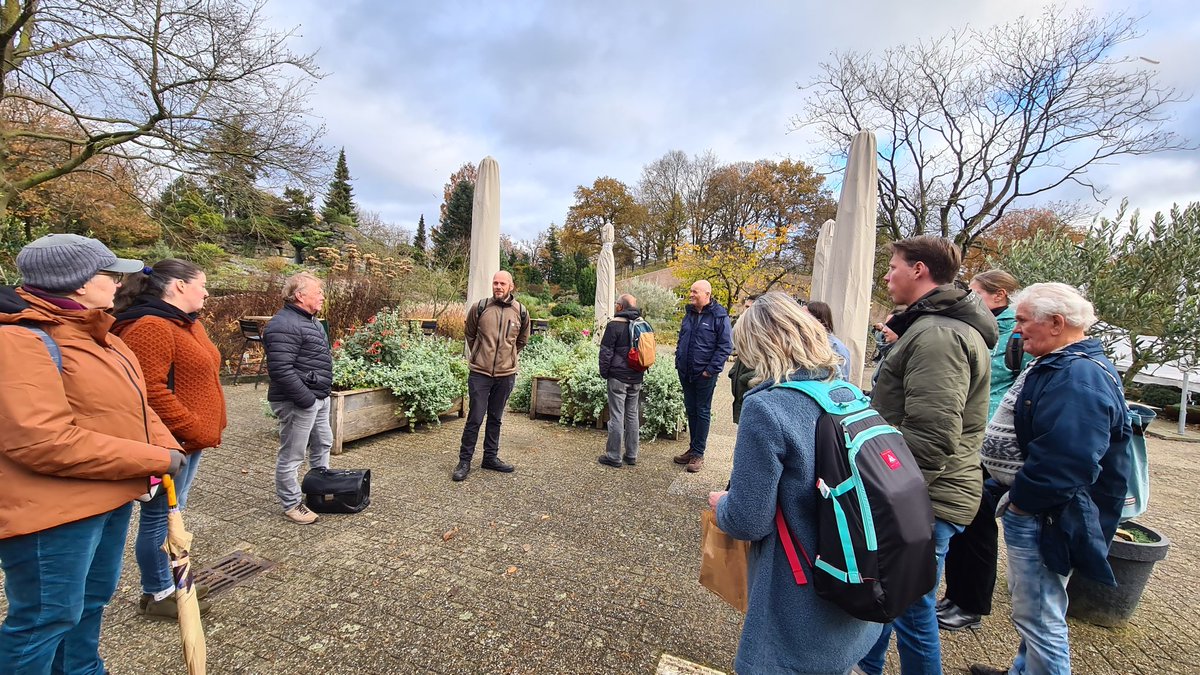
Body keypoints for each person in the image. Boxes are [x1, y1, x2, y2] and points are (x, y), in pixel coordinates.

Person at [0, 234, 185, 673]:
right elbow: (42, 441)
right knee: (45, 619)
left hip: (108, 494)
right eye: (110, 274)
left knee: (91, 602)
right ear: (80, 283)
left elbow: (135, 408)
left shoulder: (98, 332)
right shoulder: (19, 340)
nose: (119, 283)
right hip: (51, 513)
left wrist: (168, 446)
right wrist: (153, 461)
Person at [707, 292, 882, 673]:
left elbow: (749, 520)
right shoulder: (848, 394)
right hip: (854, 579)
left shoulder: (767, 407)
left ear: (759, 347)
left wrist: (720, 505)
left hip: (797, 593)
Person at [970, 284, 1132, 675]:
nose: (1016, 329)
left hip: (1045, 516)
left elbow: (1068, 461)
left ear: (1057, 323)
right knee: (1037, 610)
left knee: (1040, 617)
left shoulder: (1077, 377)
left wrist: (1021, 501)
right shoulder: (1061, 363)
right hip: (1039, 511)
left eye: (1024, 321)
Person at [857, 236, 997, 675]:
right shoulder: (932, 326)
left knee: (912, 610)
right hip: (926, 495)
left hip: (927, 500)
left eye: (893, 266)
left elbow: (931, 438)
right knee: (888, 597)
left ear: (919, 270)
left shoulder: (938, 334)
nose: (886, 275)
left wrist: (881, 489)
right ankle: (865, 665)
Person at [112, 258, 226, 619]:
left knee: (172, 516)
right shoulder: (151, 326)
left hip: (190, 442)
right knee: (159, 517)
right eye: (201, 284)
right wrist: (191, 427)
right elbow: (150, 392)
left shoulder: (186, 324)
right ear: (178, 285)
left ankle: (174, 582)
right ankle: (158, 592)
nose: (206, 292)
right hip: (171, 444)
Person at [938, 270, 1030, 631]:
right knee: (965, 520)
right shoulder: (985, 328)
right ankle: (956, 595)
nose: (971, 299)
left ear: (999, 295)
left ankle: (970, 603)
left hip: (987, 442)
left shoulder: (1010, 333)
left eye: (977, 293)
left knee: (976, 524)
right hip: (972, 438)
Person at [264, 271, 333, 524]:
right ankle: (292, 503)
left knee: (323, 443)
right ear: (300, 295)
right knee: (293, 455)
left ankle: (320, 490)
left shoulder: (310, 320)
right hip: (298, 401)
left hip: (318, 397)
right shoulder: (283, 324)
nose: (322, 296)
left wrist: (319, 397)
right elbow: (281, 370)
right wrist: (306, 400)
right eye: (318, 292)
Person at [454, 270, 530, 482]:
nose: (498, 286)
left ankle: (490, 457)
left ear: (511, 287)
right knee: (475, 418)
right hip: (480, 373)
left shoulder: (521, 312)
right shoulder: (480, 307)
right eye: (495, 283)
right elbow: (469, 333)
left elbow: (522, 340)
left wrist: (508, 357)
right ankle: (464, 461)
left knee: (496, 418)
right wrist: (480, 353)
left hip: (506, 375)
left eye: (502, 283)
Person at [673, 280, 733, 473]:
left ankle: (699, 453)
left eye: (695, 292)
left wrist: (710, 370)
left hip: (705, 374)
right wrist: (678, 360)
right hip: (686, 371)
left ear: (707, 294)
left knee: (702, 411)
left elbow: (725, 346)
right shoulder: (689, 314)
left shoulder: (719, 316)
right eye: (690, 291)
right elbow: (682, 338)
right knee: (690, 409)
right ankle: (692, 448)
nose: (691, 294)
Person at [597, 293, 645, 468]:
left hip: (618, 377)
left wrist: (604, 372)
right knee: (632, 415)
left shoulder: (614, 325)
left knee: (617, 415)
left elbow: (605, 353)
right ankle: (631, 455)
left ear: (620, 307)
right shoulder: (643, 325)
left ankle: (614, 456)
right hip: (637, 376)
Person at [803, 300, 852, 380]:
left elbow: (842, 381)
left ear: (817, 322)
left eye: (803, 317)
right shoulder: (800, 343)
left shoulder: (836, 348)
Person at [728, 295, 757, 424]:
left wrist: (745, 378)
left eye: (748, 307)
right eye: (745, 306)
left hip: (751, 391)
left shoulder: (766, 334)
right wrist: (734, 372)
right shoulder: (744, 327)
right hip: (740, 393)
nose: (745, 310)